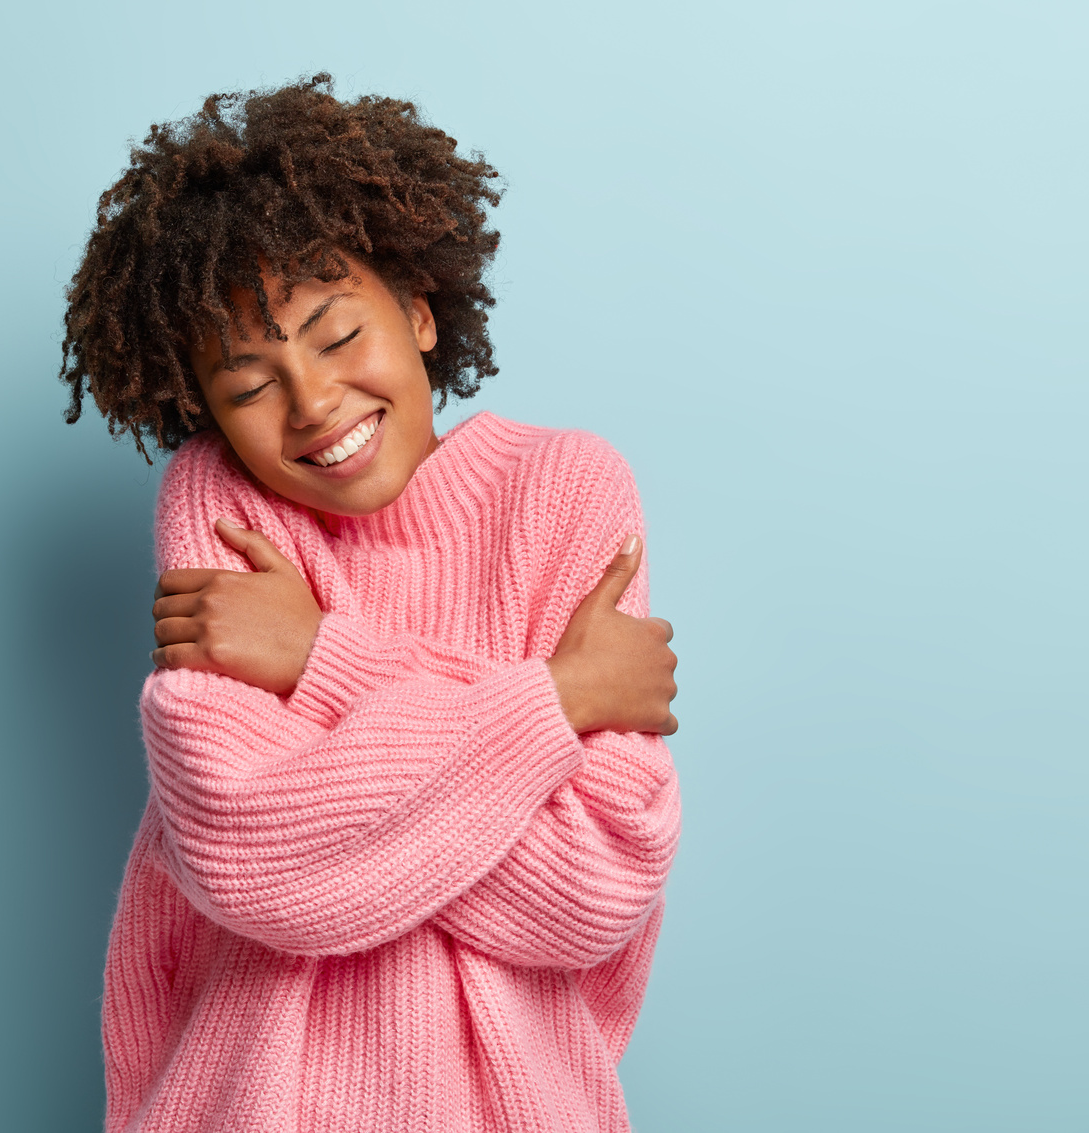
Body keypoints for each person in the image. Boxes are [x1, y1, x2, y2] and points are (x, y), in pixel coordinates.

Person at [61, 74, 681, 1133]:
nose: (311, 405)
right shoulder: (220, 502)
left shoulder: (568, 488)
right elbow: (248, 853)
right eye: (249, 386)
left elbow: (593, 881)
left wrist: (321, 658)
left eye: (337, 336)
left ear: (422, 311)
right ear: (203, 412)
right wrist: (554, 703)